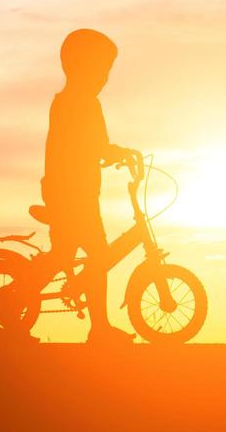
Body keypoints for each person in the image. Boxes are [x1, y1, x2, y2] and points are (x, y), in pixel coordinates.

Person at [37, 27, 135, 345]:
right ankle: (100, 328)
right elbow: (89, 147)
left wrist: (110, 154)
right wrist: (117, 154)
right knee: (96, 255)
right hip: (72, 194)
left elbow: (92, 147)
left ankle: (99, 327)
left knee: (67, 254)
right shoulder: (79, 104)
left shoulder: (72, 102)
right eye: (102, 69)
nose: (105, 77)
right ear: (80, 66)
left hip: (72, 191)